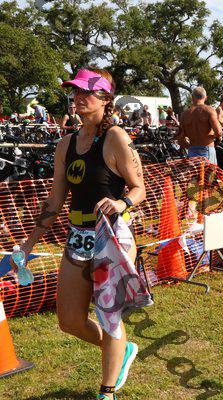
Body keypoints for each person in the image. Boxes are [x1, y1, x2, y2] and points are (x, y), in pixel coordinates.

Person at [11, 68, 145, 400]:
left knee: (109, 315)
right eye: (75, 92)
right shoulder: (65, 144)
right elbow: (54, 201)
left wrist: (122, 202)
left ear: (105, 98)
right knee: (69, 320)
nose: (78, 98)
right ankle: (121, 349)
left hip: (112, 237)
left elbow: (139, 187)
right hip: (77, 237)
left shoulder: (116, 138)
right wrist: (28, 244)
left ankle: (106, 392)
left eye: (86, 92)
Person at [176, 86, 222, 164]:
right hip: (207, 151)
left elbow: (180, 139)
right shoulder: (209, 110)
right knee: (209, 172)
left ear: (192, 97)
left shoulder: (184, 114)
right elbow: (218, 132)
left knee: (195, 172)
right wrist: (217, 137)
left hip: (192, 151)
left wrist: (189, 146)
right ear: (206, 97)